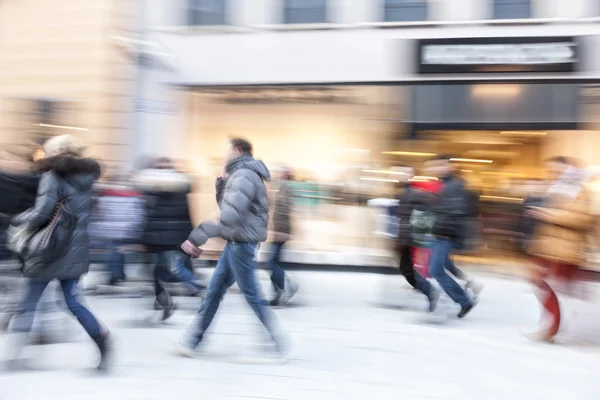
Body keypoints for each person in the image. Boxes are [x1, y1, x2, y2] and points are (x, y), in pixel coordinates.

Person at [5, 134, 111, 371]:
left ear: (56, 152)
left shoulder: (52, 175)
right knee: (73, 301)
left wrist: (19, 220)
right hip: (74, 249)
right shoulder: (88, 177)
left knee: (30, 300)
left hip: (48, 249)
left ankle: (14, 354)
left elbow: (43, 212)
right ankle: (102, 339)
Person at [179, 138, 288, 358]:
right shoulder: (241, 175)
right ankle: (193, 341)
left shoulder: (244, 175)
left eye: (226, 150)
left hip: (242, 244)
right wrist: (222, 182)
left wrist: (198, 237)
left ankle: (278, 345)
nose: (224, 154)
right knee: (214, 292)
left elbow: (229, 215)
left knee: (252, 295)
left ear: (237, 151)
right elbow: (230, 207)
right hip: (236, 242)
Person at [526, 157, 593, 342]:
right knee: (541, 282)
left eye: (557, 170)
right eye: (551, 170)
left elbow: (581, 219)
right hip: (548, 247)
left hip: (565, 248)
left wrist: (550, 215)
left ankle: (552, 327)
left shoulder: (581, 192)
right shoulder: (556, 189)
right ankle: (552, 325)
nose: (553, 174)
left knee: (555, 287)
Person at [135, 157, 203, 321]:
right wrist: (190, 238)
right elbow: (187, 215)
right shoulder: (180, 191)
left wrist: (143, 238)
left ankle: (197, 288)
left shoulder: (152, 192)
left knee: (170, 268)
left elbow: (148, 216)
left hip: (158, 238)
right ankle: (168, 300)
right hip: (173, 237)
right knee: (164, 269)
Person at [426, 154, 477, 318]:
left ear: (449, 166)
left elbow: (455, 213)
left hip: (445, 235)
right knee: (444, 266)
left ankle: (464, 301)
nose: (436, 169)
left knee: (435, 270)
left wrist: (442, 232)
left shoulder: (454, 186)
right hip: (439, 233)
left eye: (440, 165)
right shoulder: (443, 185)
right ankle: (469, 285)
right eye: (434, 166)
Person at [393, 166, 440, 311]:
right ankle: (427, 290)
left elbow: (433, 202)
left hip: (407, 235)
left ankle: (429, 291)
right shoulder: (401, 192)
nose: (400, 175)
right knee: (405, 268)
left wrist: (421, 222)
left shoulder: (414, 193)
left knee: (406, 268)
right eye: (399, 173)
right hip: (403, 234)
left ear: (411, 176)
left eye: (404, 173)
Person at [92, 174, 145, 285]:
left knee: (114, 251)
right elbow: (138, 213)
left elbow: (101, 212)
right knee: (119, 251)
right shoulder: (134, 195)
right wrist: (136, 226)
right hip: (126, 227)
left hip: (110, 228)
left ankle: (115, 275)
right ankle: (118, 273)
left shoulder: (105, 195)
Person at [268, 165, 299, 307]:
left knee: (271, 263)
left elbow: (283, 210)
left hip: (281, 231)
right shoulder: (281, 186)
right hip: (280, 231)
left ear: (284, 174)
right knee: (273, 263)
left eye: (277, 172)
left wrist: (280, 231)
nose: (275, 174)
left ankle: (287, 286)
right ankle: (279, 293)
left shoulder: (284, 187)